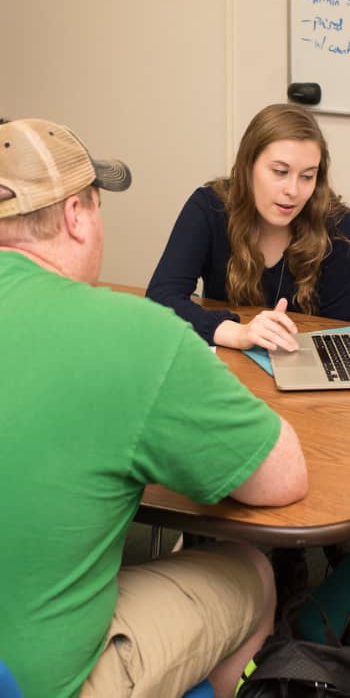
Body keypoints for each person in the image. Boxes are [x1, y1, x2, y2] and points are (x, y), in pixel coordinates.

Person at [0, 118, 307, 698]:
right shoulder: (132, 333)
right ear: (75, 214)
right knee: (253, 572)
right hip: (40, 683)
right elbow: (283, 477)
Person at [146, 103, 350, 349]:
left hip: (302, 364)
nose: (293, 191)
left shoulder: (337, 226)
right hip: (226, 365)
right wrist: (236, 334)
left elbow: (338, 330)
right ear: (248, 166)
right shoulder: (210, 207)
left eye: (307, 176)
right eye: (280, 171)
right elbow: (161, 298)